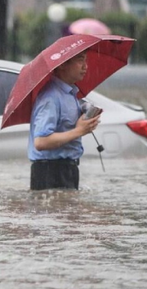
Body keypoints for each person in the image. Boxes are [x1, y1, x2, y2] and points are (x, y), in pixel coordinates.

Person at [28, 51, 101, 190]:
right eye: (80, 60)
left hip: (68, 168)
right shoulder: (50, 97)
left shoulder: (70, 94)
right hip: (50, 171)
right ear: (62, 65)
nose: (85, 66)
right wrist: (79, 131)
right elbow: (40, 142)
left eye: (86, 60)